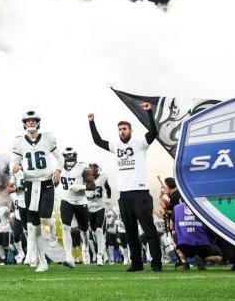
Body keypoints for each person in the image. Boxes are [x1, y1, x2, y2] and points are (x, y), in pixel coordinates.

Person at [88, 102, 162, 272]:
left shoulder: (140, 143)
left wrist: (149, 112)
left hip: (140, 193)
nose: (122, 132)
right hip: (124, 195)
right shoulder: (116, 146)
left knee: (149, 229)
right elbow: (98, 141)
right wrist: (91, 123)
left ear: (130, 131)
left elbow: (154, 132)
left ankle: (156, 264)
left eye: (125, 129)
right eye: (120, 129)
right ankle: (136, 263)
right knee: (130, 231)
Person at [10, 110, 61, 272]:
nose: (31, 123)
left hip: (46, 183)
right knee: (34, 225)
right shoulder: (19, 142)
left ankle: (52, 232)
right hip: (30, 185)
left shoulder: (47, 138)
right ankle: (41, 262)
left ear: (38, 122)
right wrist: (16, 168)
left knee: (45, 218)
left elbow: (60, 158)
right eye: (28, 121)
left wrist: (58, 171)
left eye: (33, 120)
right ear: (24, 123)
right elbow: (14, 164)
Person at [57, 146, 90, 268]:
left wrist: (80, 187)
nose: (70, 159)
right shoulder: (59, 167)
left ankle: (85, 247)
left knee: (84, 230)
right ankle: (68, 257)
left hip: (81, 202)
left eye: (72, 157)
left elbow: (91, 185)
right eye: (67, 157)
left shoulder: (82, 167)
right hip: (66, 200)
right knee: (65, 227)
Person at [172, 203, 223, 270]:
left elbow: (171, 226)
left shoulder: (176, 208)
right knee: (219, 256)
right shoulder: (203, 206)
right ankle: (204, 259)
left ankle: (184, 262)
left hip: (184, 247)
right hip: (202, 246)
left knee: (175, 235)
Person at [84, 163, 112, 266]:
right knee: (95, 234)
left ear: (98, 169)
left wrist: (108, 199)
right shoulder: (85, 178)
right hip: (90, 208)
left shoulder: (103, 177)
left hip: (100, 207)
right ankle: (102, 250)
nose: (93, 169)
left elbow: (108, 188)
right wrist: (87, 194)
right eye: (91, 167)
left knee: (100, 230)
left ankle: (100, 256)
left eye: (95, 167)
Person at [7, 168, 27, 264]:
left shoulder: (27, 192)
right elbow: (13, 204)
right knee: (16, 235)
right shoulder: (14, 194)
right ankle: (21, 253)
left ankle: (34, 254)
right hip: (18, 215)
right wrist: (11, 212)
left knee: (29, 235)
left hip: (27, 214)